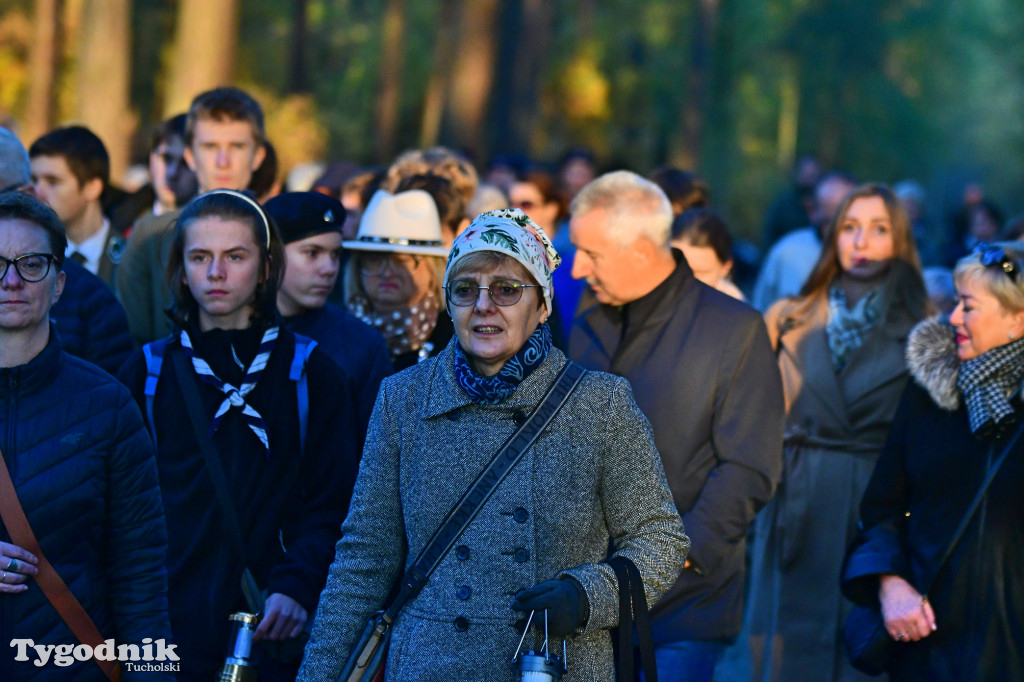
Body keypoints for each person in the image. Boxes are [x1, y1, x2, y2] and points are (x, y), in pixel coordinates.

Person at [297, 208, 689, 681]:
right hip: (430, 667)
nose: (484, 305)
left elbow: (661, 539)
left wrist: (587, 597)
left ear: (542, 304)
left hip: (553, 666)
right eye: (465, 290)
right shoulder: (403, 398)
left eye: (506, 289)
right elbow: (364, 560)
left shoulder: (599, 404)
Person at [118, 190, 360, 681]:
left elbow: (339, 503)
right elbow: (118, 512)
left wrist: (297, 583)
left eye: (235, 256)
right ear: (181, 270)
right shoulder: (145, 375)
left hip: (271, 627)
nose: (216, 273)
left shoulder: (310, 374)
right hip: (165, 629)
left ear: (266, 268)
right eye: (200, 257)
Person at [568, 171, 784, 681]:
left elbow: (749, 469)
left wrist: (672, 557)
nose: (576, 269)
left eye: (590, 253)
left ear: (640, 251)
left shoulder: (735, 330)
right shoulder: (585, 317)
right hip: (585, 601)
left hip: (681, 608)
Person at [743, 183, 930, 680]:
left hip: (875, 509)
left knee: (858, 653)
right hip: (794, 501)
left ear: (900, 240)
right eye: (849, 227)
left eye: (878, 229)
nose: (860, 241)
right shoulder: (786, 318)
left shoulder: (923, 330)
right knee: (785, 652)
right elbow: (750, 416)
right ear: (831, 234)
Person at [0, 192, 172, 681]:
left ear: (59, 285)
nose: (12, 280)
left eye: (31, 264)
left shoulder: (109, 407)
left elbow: (140, 576)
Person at [842, 241, 1024, 679]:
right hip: (928, 648)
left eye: (969, 306)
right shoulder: (927, 394)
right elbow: (881, 509)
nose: (953, 318)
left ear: (1017, 321)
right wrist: (890, 585)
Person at [117, 86, 267, 345]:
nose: (223, 161)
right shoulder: (150, 237)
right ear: (190, 155)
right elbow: (130, 341)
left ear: (258, 156)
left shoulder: (283, 234)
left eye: (237, 146)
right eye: (210, 146)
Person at [265, 190, 392, 436]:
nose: (329, 268)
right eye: (312, 253)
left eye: (335, 254)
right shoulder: (238, 331)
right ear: (272, 256)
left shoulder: (362, 344)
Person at [343, 189, 452, 371]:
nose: (387, 272)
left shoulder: (455, 339)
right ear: (357, 268)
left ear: (434, 269)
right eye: (374, 260)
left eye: (402, 261)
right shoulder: (337, 332)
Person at [29, 125, 125, 290]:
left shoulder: (130, 257)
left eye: (52, 181)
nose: (37, 192)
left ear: (92, 187)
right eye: (34, 180)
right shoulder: (27, 259)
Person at [752, 171, 857, 311]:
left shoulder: (868, 255)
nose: (838, 233)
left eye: (849, 226)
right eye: (829, 222)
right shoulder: (788, 252)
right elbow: (760, 308)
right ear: (812, 210)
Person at [670, 208, 745, 301]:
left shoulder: (735, 312)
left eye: (700, 273)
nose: (687, 281)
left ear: (726, 268)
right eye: (678, 269)